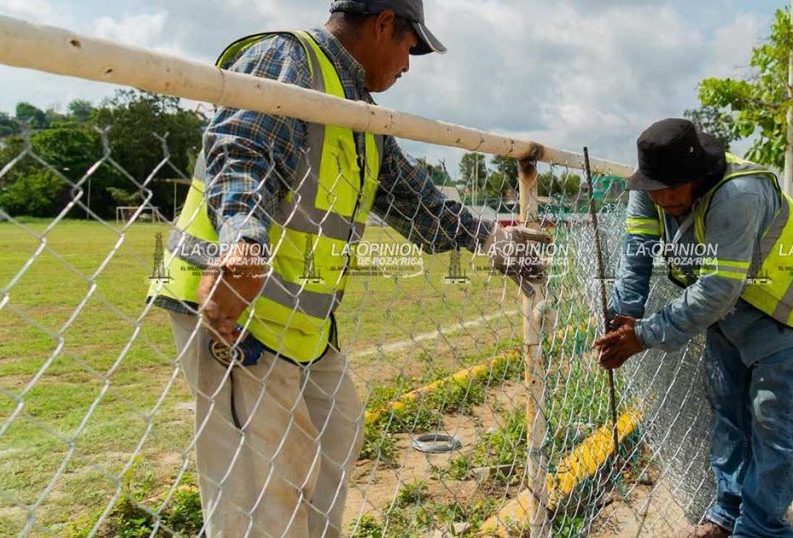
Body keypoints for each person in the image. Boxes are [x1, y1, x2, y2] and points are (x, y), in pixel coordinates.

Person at [147, 2, 548, 535]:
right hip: (235, 310)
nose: (408, 66)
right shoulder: (289, 59)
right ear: (384, 24)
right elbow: (242, 150)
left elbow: (412, 197)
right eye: (410, 47)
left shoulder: (358, 110)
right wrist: (243, 243)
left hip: (302, 323)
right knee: (265, 494)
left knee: (337, 435)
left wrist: (488, 238)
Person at [594, 118, 793, 538]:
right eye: (655, 190)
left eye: (672, 190)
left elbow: (718, 288)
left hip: (788, 305)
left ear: (698, 176)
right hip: (731, 310)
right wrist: (624, 315)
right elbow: (636, 253)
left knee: (774, 426)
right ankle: (727, 513)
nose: (664, 200)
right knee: (729, 415)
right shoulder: (653, 190)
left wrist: (645, 335)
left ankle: (761, 529)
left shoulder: (737, 194)